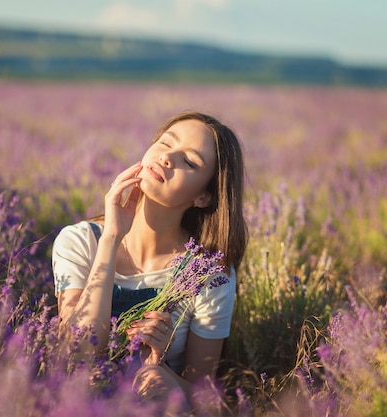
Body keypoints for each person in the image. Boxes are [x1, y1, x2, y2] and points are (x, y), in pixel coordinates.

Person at [52, 110, 247, 411]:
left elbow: (205, 398)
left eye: (190, 162)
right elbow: (75, 352)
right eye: (166, 143)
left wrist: (161, 370)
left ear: (203, 197)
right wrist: (111, 239)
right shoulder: (81, 241)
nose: (168, 158)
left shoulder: (207, 273)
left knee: (152, 382)